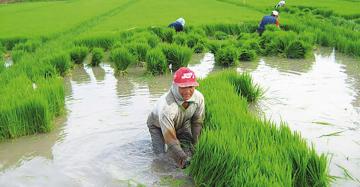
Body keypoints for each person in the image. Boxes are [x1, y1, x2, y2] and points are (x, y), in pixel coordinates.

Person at [147, 67, 205, 169]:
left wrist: (197, 146)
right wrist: (183, 158)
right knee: (161, 155)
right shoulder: (168, 107)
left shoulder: (199, 98)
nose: (187, 91)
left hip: (181, 123)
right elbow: (171, 140)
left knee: (188, 146)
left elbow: (196, 122)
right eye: (183, 87)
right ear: (175, 85)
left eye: (191, 86)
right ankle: (163, 173)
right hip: (157, 126)